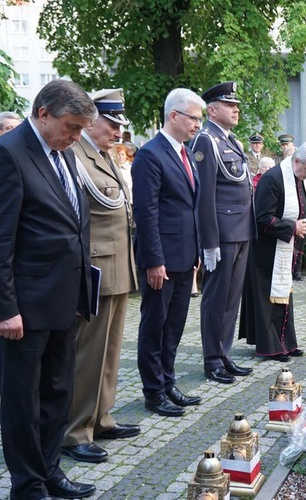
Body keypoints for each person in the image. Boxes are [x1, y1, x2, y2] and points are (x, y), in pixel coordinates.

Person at [0, 79, 97, 500]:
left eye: (82, 128)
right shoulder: (5, 154)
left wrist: (83, 293)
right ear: (43, 112)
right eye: (72, 126)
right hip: (23, 309)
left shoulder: (64, 154)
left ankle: (50, 472)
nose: (77, 136)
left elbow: (73, 225)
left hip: (64, 302)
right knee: (22, 402)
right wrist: (4, 308)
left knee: (58, 393)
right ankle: (27, 485)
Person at [61, 88, 140, 463]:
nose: (117, 132)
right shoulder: (75, 155)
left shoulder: (103, 155)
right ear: (90, 121)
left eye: (118, 125)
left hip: (117, 265)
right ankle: (75, 431)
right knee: (88, 353)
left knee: (109, 351)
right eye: (111, 123)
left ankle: (101, 417)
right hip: (96, 267)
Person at [133, 88, 205, 415]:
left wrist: (198, 250)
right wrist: (153, 261)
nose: (197, 126)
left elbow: (190, 207)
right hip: (161, 260)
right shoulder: (151, 154)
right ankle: (153, 391)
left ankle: (168, 382)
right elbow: (146, 213)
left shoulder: (184, 152)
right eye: (194, 118)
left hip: (184, 255)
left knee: (174, 326)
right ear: (174, 116)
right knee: (155, 325)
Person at [191, 81, 256, 385]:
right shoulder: (207, 141)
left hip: (240, 229)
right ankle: (212, 359)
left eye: (237, 105)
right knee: (217, 298)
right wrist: (209, 242)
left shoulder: (230, 141)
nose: (236, 110)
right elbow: (204, 195)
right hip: (223, 233)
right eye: (230, 105)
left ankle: (225, 354)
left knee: (232, 299)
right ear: (212, 110)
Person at [239, 142, 306, 360]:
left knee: (283, 295)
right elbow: (261, 217)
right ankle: (271, 346)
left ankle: (286, 341)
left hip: (284, 246)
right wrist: (292, 227)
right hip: (266, 250)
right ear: (297, 161)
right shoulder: (273, 179)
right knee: (268, 298)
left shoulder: (299, 177)